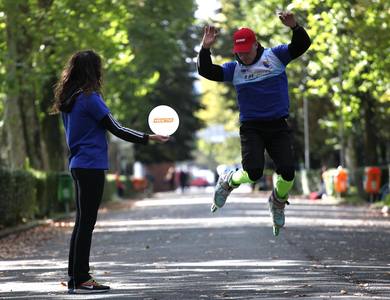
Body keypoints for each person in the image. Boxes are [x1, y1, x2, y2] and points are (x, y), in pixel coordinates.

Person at [51, 50, 169, 294]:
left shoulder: (68, 99)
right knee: (86, 223)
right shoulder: (89, 98)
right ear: (93, 71)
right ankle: (82, 278)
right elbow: (116, 128)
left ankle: (75, 278)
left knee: (81, 223)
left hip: (76, 164)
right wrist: (149, 138)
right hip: (91, 165)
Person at [197, 12, 311, 236]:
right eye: (239, 53)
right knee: (253, 172)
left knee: (288, 172)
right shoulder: (234, 69)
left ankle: (277, 201)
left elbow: (302, 45)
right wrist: (205, 48)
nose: (244, 57)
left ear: (256, 44)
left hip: (277, 125)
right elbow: (206, 70)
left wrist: (295, 26)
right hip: (252, 127)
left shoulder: (275, 56)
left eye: (247, 52)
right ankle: (229, 179)